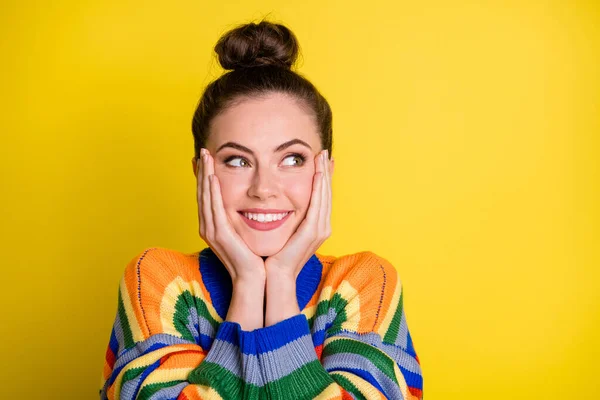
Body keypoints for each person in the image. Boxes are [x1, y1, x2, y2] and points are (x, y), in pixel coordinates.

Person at [99, 20, 423, 400]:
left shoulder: (364, 284)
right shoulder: (159, 282)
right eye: (237, 161)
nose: (264, 189)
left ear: (326, 170)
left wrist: (281, 281)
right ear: (200, 172)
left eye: (292, 159)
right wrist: (248, 285)